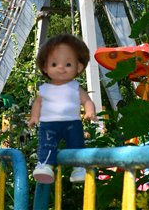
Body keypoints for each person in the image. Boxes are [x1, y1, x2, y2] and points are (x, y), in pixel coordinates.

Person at [28, 33, 97, 184]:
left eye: (68, 64)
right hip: (48, 124)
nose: (61, 68)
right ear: (45, 67)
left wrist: (90, 110)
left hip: (72, 123)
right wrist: (34, 117)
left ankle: (79, 168)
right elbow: (37, 104)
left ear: (78, 67)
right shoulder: (45, 89)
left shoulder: (75, 87)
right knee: (47, 145)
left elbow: (86, 100)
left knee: (77, 144)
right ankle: (45, 166)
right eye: (54, 64)